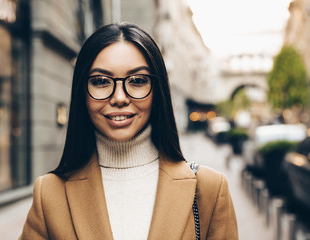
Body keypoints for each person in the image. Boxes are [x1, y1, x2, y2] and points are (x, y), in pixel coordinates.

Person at [19, 22, 238, 240]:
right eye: (101, 81)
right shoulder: (49, 194)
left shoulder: (208, 190)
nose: (120, 98)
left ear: (157, 90)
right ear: (81, 93)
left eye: (137, 80)